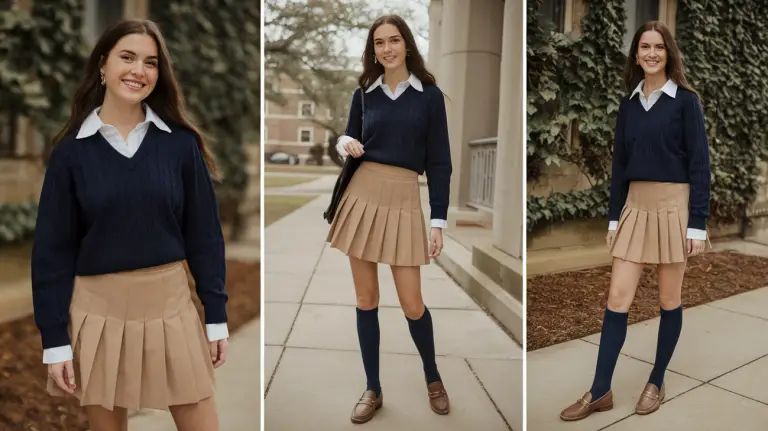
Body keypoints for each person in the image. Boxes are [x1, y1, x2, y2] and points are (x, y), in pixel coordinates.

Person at [32, 19, 229, 431]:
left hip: (170, 306)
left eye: (151, 62)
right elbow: (52, 251)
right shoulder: (71, 154)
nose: (139, 70)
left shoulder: (179, 145)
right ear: (103, 65)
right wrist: (54, 340)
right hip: (96, 313)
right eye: (127, 57)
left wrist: (215, 314)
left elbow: (205, 235)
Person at [560, 20, 710, 421]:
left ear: (669, 53)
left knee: (668, 300)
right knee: (616, 299)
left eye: (658, 47)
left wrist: (697, 224)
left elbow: (700, 166)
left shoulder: (685, 101)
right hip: (634, 208)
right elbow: (620, 166)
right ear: (636, 54)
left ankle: (656, 380)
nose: (651, 54)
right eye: (644, 47)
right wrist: (613, 219)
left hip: (673, 208)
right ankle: (600, 390)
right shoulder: (628, 103)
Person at [325, 14, 453, 425]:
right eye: (379, 43)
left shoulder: (429, 96)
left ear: (407, 44)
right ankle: (373, 388)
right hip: (362, 195)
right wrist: (344, 141)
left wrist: (438, 220)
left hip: (402, 200)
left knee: (412, 302)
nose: (386, 49)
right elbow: (347, 137)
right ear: (373, 50)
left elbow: (440, 162)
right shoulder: (364, 92)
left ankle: (433, 377)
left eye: (393, 40)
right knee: (366, 300)